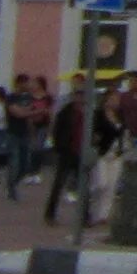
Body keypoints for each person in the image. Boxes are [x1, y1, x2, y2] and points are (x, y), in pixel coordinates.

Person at [42, 75, 117, 226]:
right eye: (77, 94)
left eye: (82, 94)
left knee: (84, 186)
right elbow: (57, 130)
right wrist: (59, 147)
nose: (79, 97)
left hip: (84, 152)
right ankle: (50, 214)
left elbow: (109, 131)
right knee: (59, 184)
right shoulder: (66, 111)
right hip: (67, 152)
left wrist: (100, 146)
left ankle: (85, 217)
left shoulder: (93, 113)